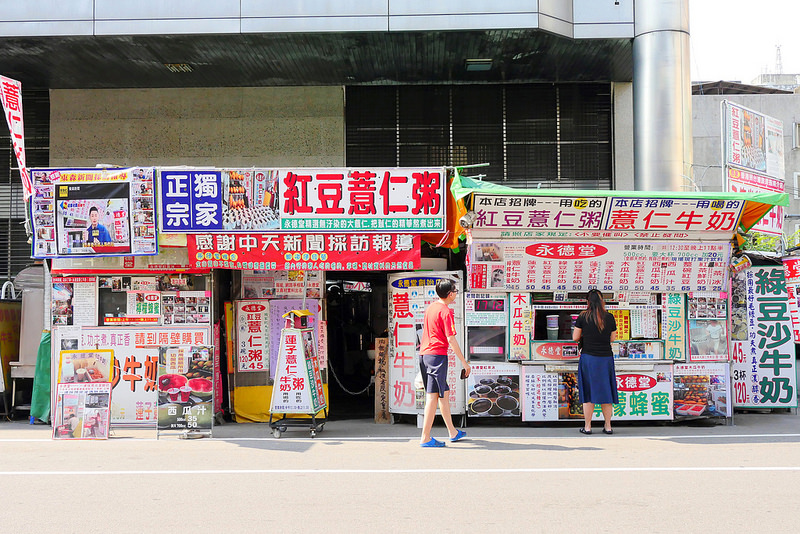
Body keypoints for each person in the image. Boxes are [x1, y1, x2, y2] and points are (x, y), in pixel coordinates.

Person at [418, 279, 471, 447]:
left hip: (426, 355)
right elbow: (451, 339)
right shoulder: (445, 311)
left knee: (444, 393)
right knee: (433, 396)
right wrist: (464, 363)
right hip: (437, 357)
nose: (456, 293)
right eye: (455, 290)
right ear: (450, 294)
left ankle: (452, 432)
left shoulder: (431, 307)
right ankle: (425, 437)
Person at [572, 289, 618, 435]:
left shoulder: (583, 316)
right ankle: (608, 426)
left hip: (589, 359)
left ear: (588, 302)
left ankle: (587, 427)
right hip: (605, 359)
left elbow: (575, 337)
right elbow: (612, 339)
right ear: (602, 301)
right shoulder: (609, 317)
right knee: (606, 393)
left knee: (588, 393)